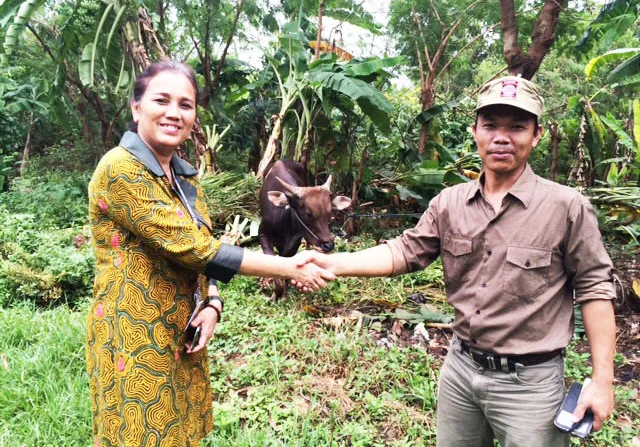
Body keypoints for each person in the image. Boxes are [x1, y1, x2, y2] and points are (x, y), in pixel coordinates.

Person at [296, 76, 616, 447]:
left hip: (529, 384)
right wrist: (330, 263)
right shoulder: (449, 203)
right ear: (475, 131)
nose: (501, 137)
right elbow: (404, 251)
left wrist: (603, 380)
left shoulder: (565, 207)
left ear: (537, 134)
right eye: (491, 125)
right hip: (460, 371)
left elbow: (595, 289)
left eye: (517, 127)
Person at [86, 60, 334, 447]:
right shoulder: (120, 169)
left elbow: (201, 244)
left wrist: (212, 302)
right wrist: (288, 266)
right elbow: (196, 248)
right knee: (141, 432)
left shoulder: (184, 175)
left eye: (186, 105)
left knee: (183, 429)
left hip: (186, 325)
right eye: (162, 100)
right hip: (134, 330)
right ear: (137, 108)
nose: (174, 113)